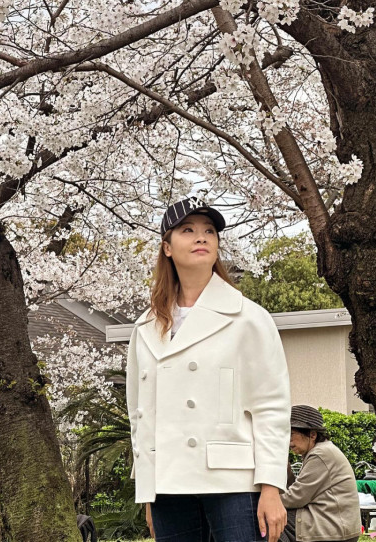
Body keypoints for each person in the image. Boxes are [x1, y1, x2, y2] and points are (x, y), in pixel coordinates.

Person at [126, 197, 291, 542]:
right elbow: (140, 414)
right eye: (188, 230)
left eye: (209, 231)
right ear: (167, 247)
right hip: (169, 485)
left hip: (233, 481)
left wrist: (271, 486)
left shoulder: (248, 317)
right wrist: (148, 489)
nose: (201, 237)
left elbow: (271, 408)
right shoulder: (145, 327)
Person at [279, 405, 361, 542]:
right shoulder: (319, 451)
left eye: (291, 434)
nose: (288, 441)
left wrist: (265, 500)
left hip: (334, 529)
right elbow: (299, 491)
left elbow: (296, 498)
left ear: (312, 434)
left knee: (272, 517)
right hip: (335, 524)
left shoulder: (320, 455)